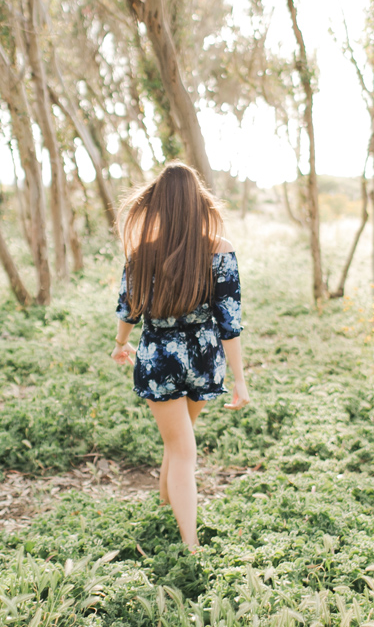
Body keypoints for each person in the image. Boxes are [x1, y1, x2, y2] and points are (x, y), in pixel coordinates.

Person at [111, 162, 249, 551]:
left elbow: (129, 308)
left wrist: (121, 343)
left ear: (159, 203)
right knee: (181, 446)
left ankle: (171, 521)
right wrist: (239, 378)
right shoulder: (220, 249)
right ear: (196, 201)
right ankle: (190, 545)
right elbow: (230, 322)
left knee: (178, 447)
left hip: (160, 359)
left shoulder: (143, 253)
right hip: (204, 359)